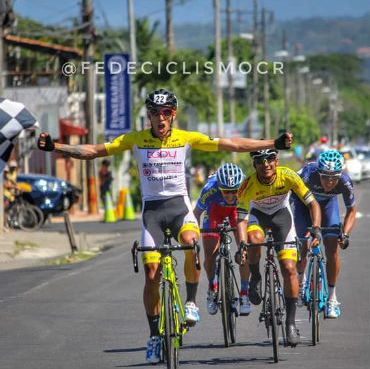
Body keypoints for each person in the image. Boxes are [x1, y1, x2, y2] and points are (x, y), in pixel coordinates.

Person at [37, 89, 293, 363]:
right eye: (155, 113)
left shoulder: (185, 139)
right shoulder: (135, 139)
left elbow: (233, 144)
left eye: (166, 112)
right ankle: (154, 336)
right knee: (150, 273)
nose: (160, 117)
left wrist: (273, 142)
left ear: (173, 114)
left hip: (180, 209)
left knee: (193, 244)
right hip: (152, 213)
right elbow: (95, 151)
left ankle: (192, 302)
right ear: (148, 115)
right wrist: (57, 147)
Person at [236, 149, 321, 346]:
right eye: (260, 160)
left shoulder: (288, 176)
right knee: (254, 238)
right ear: (254, 164)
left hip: (282, 217)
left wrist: (315, 227)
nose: (266, 164)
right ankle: (256, 275)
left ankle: (290, 325)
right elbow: (240, 216)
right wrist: (242, 244)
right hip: (258, 215)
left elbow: (312, 204)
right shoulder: (247, 184)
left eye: (270, 159)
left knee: (290, 268)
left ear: (277, 160)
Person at [293, 150, 356, 318]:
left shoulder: (345, 181)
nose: (329, 182)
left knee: (332, 246)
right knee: (303, 243)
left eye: (334, 177)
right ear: (318, 172)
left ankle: (332, 298)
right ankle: (301, 282)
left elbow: (351, 210)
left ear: (340, 175)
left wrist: (346, 234)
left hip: (328, 206)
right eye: (325, 177)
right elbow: (289, 194)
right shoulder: (307, 174)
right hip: (304, 206)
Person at [193, 163, 252, 317]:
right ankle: (212, 288)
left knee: (244, 253)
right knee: (210, 256)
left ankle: (244, 294)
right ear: (219, 187)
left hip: (236, 213)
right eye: (226, 191)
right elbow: (196, 214)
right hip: (214, 211)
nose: (231, 196)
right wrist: (192, 235)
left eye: (234, 191)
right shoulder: (209, 189)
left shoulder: (246, 185)